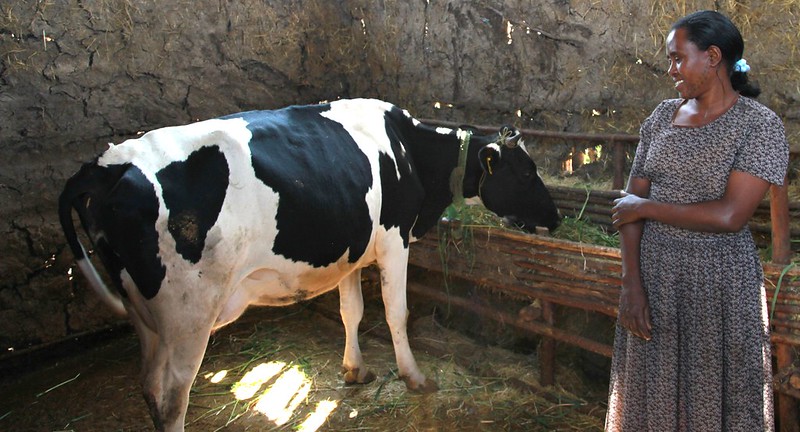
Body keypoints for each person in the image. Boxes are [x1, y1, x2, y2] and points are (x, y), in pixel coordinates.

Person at [605, 10, 789, 432]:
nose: (671, 70)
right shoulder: (662, 117)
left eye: (677, 58)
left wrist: (647, 208)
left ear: (712, 56)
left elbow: (730, 215)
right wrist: (631, 284)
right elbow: (630, 205)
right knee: (650, 396)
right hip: (654, 279)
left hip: (720, 285)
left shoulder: (759, 126)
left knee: (714, 399)